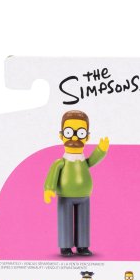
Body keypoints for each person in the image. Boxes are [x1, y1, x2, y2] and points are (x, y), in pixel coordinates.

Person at [44, 110, 109, 256]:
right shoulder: (60, 162)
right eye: (69, 132)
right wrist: (49, 189)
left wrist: (101, 150)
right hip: (65, 196)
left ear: (87, 137)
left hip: (84, 196)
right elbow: (53, 174)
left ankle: (82, 246)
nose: (74, 138)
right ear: (61, 136)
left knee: (83, 220)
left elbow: (92, 161)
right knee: (65, 219)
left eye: (80, 133)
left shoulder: (83, 161)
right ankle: (65, 247)